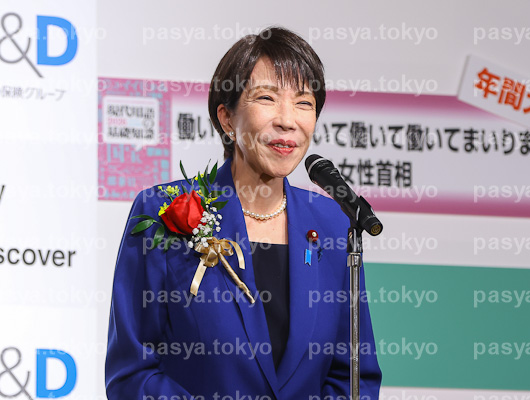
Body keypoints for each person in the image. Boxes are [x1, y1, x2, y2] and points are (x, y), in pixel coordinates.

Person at [105, 26, 382, 399]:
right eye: (267, 98)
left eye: (304, 102)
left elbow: (353, 377)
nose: (287, 120)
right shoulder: (164, 211)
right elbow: (132, 373)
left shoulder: (333, 224)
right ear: (226, 118)